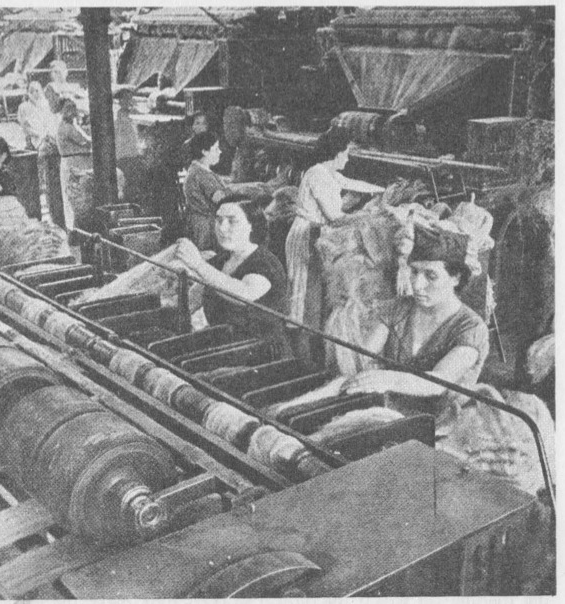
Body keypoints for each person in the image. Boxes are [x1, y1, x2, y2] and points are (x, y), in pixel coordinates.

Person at [340, 224, 489, 432]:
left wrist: (387, 378)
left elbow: (437, 382)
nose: (417, 285)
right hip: (388, 414)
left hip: (442, 427)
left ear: (455, 278)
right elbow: (363, 355)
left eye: (431, 275)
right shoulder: (397, 308)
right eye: (414, 271)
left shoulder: (470, 328)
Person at [286, 129, 384, 330]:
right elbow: (335, 218)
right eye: (346, 153)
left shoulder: (327, 173)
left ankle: (308, 342)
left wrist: (383, 190)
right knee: (302, 296)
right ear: (337, 153)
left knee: (311, 294)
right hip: (305, 234)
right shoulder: (318, 174)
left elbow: (351, 183)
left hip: (313, 234)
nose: (348, 159)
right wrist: (366, 215)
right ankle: (300, 348)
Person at [175, 194, 291, 355]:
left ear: (252, 225)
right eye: (219, 220)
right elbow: (194, 297)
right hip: (226, 344)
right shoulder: (221, 260)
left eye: (232, 221)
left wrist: (198, 264)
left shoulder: (265, 264)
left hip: (261, 354)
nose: (222, 228)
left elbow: (242, 293)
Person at [182, 132, 228, 250]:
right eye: (216, 149)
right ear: (204, 151)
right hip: (206, 229)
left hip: (198, 224)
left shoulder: (195, 169)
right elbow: (221, 200)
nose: (220, 152)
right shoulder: (201, 174)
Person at [56, 98, 92, 229]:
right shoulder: (67, 127)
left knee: (74, 197)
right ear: (62, 111)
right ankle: (76, 229)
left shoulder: (70, 125)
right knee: (76, 197)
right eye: (68, 109)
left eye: (73, 108)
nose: (72, 112)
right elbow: (85, 141)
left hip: (74, 162)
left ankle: (76, 228)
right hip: (73, 162)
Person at [17, 81, 52, 151]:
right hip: (34, 137)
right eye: (31, 91)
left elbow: (50, 122)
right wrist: (39, 135)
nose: (35, 93)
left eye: (37, 90)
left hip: (47, 135)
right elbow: (25, 127)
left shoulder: (46, 105)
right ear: (28, 93)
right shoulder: (24, 107)